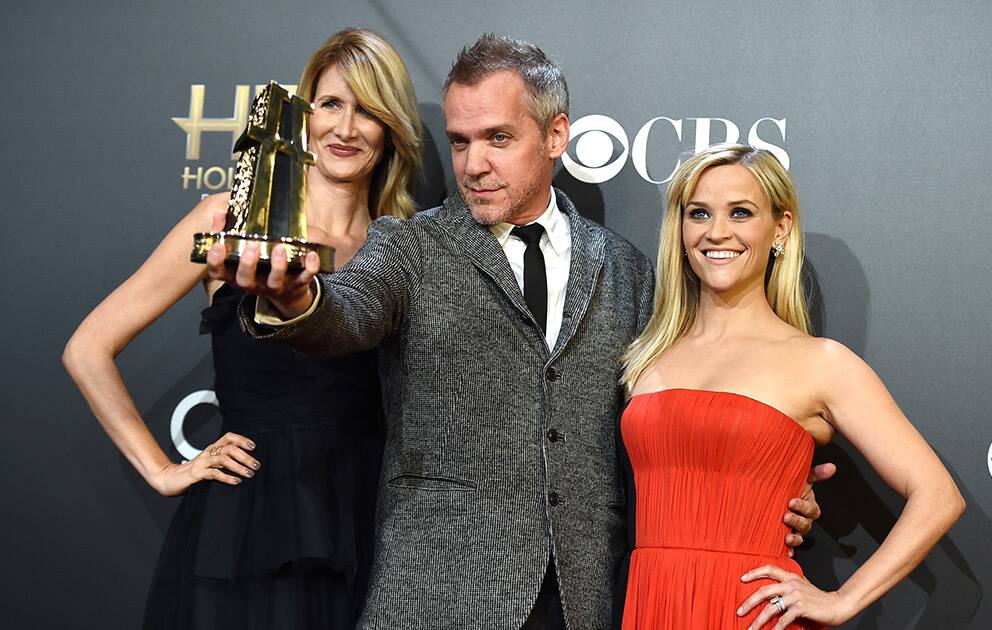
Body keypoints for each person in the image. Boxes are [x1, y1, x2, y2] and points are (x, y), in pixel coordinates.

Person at [208, 35, 823, 629]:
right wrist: (294, 297)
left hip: (586, 600)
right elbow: (345, 312)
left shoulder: (627, 270)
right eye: (459, 141)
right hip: (439, 598)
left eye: (498, 138)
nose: (475, 165)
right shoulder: (413, 246)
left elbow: (679, 406)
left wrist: (767, 483)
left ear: (556, 134)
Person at [62, 28, 422, 630]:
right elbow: (88, 348)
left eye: (366, 110)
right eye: (330, 104)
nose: (345, 128)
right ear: (304, 115)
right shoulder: (230, 221)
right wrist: (163, 468)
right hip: (249, 520)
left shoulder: (402, 245)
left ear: (390, 128)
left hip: (365, 522)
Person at [618, 143, 965, 629]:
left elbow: (938, 494)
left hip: (752, 614)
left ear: (780, 228)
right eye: (699, 213)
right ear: (680, 229)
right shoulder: (647, 356)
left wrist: (843, 600)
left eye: (740, 213)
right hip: (653, 603)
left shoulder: (819, 363)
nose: (717, 232)